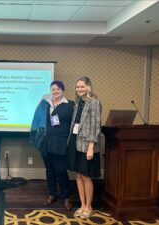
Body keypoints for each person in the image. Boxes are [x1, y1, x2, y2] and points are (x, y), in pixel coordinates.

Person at [30, 80, 74, 209]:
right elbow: (38, 120)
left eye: (58, 89)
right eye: (53, 89)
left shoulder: (70, 105)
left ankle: (66, 197)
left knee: (60, 170)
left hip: (61, 143)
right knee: (50, 170)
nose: (55, 91)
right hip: (46, 142)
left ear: (63, 90)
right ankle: (52, 194)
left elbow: (73, 124)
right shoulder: (46, 104)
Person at [66, 76, 101, 219]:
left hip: (87, 144)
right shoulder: (78, 102)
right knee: (78, 175)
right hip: (75, 142)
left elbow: (95, 126)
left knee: (86, 176)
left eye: (82, 86)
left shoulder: (94, 102)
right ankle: (82, 205)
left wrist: (91, 147)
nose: (79, 89)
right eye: (77, 87)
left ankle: (89, 206)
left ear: (88, 87)